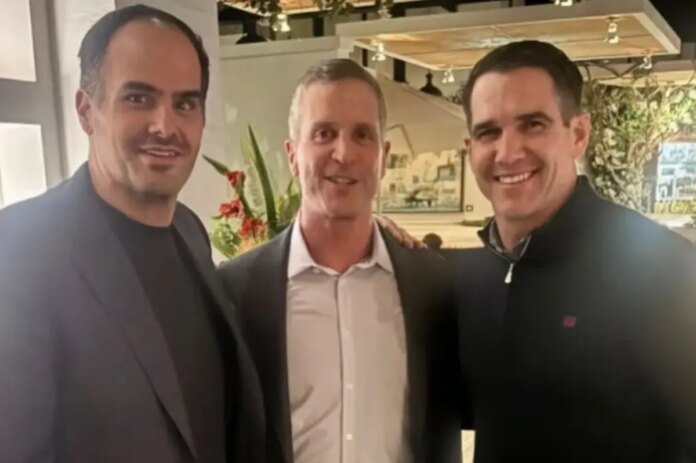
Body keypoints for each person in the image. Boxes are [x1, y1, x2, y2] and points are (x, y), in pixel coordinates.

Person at [0, 6, 264, 462]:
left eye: (185, 103)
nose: (165, 126)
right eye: (139, 98)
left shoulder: (189, 231)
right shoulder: (20, 249)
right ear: (87, 110)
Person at [452, 40, 696, 462]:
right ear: (470, 147)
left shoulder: (663, 269)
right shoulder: (472, 279)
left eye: (533, 125)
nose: (508, 152)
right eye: (489, 132)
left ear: (578, 134)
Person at [217, 59, 461, 463]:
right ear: (293, 155)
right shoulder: (235, 292)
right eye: (324, 133)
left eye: (362, 135)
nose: (344, 153)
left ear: (383, 156)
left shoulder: (431, 286)